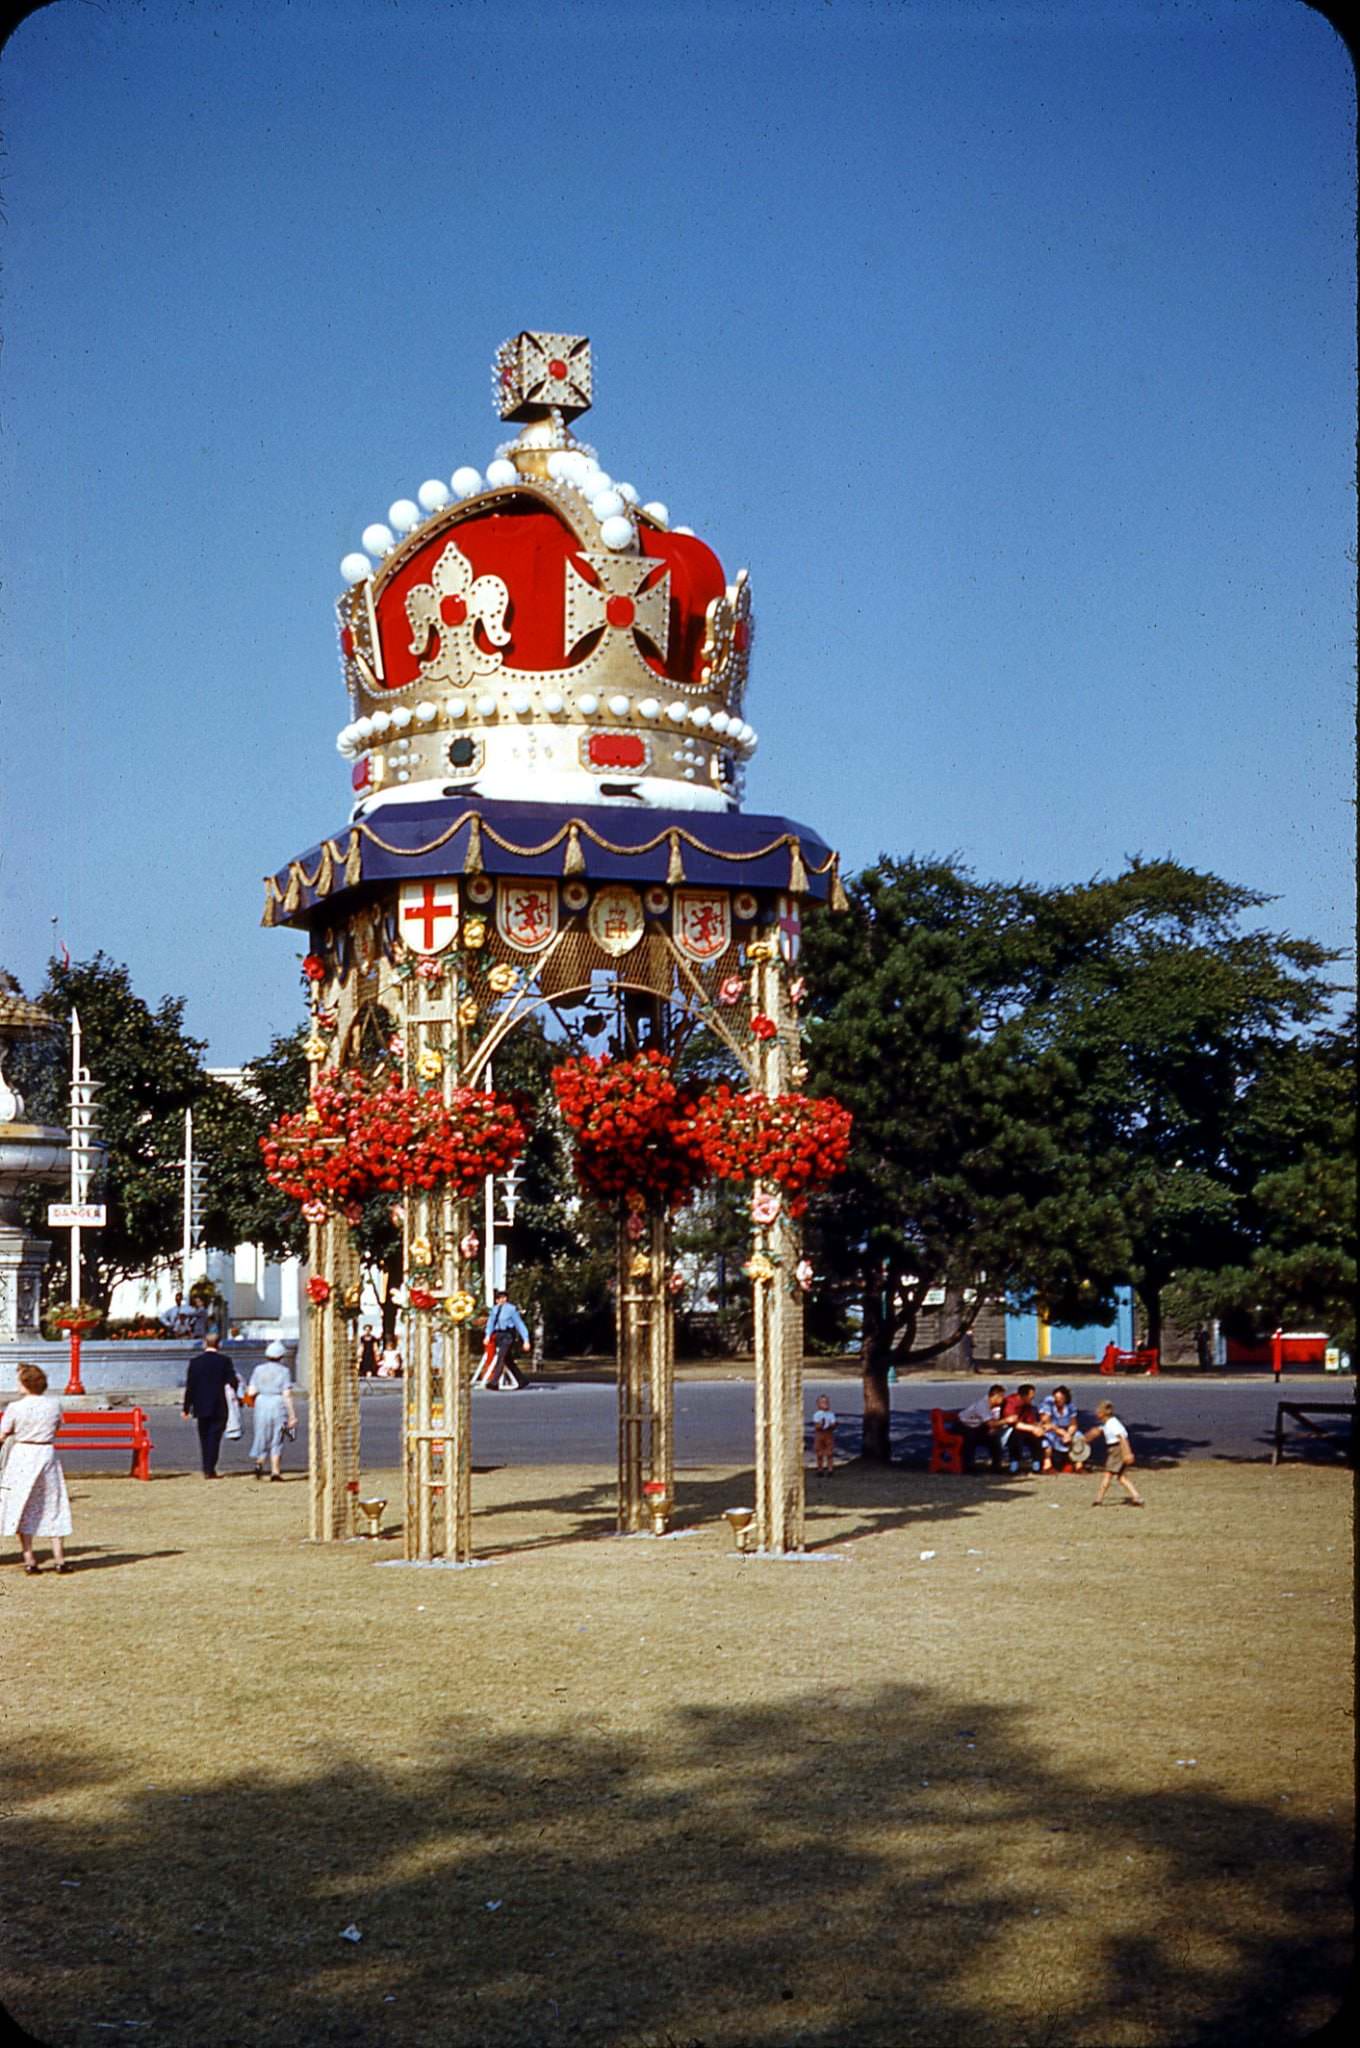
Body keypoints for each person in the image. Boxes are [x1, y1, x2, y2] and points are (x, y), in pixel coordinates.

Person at [0, 1364, 73, 1574]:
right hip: (46, 1453)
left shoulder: (16, 1407)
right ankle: (59, 1558)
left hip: (23, 1453)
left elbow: (4, 1432)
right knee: (53, 1500)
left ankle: (29, 1558)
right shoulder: (54, 1405)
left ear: (25, 1383)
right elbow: (58, 1426)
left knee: (22, 1503)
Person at [182, 1331, 240, 1480]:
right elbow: (232, 1381)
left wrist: (186, 1407)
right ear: (219, 1344)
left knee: (204, 1437)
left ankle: (206, 1466)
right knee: (214, 1438)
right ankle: (210, 1468)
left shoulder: (195, 1362)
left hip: (201, 1405)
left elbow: (191, 1386)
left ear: (204, 1343)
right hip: (219, 1404)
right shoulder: (225, 1361)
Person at [246, 1339, 298, 1482]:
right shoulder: (284, 1371)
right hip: (277, 1403)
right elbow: (286, 1394)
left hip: (261, 1403)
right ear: (281, 1356)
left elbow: (251, 1392)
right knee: (278, 1436)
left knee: (261, 1434)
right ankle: (275, 1471)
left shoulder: (258, 1370)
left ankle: (259, 1463)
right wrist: (292, 1415)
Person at [1084, 1400, 1145, 1507]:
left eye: (1098, 1411)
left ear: (1103, 1413)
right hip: (1115, 1449)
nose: (1096, 1414)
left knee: (1108, 1474)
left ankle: (1099, 1498)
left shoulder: (1113, 1423)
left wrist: (1127, 1453)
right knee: (1121, 1477)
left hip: (1116, 1450)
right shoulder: (1108, 1423)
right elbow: (1099, 1431)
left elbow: (1122, 1438)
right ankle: (1136, 1496)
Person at [482, 1291, 529, 1391]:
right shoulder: (494, 1310)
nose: (502, 1300)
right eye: (500, 1298)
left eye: (504, 1298)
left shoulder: (511, 1309)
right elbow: (490, 1323)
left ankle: (494, 1382)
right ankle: (522, 1380)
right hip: (498, 1335)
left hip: (508, 1335)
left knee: (501, 1357)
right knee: (508, 1360)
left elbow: (519, 1324)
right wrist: (487, 1336)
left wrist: (526, 1339)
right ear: (497, 1300)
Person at [955, 1383, 1007, 1472]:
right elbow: (991, 1423)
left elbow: (992, 1423)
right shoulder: (982, 1405)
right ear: (995, 1396)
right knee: (970, 1438)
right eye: (1001, 1396)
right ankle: (968, 1466)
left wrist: (994, 1429)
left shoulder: (995, 1407)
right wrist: (1006, 1420)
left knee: (994, 1438)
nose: (1003, 1399)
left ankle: (996, 1465)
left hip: (977, 1426)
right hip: (963, 1426)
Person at [1000, 1382, 1045, 1473]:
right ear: (1024, 1395)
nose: (1033, 1398)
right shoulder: (1010, 1403)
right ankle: (1014, 1464)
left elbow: (1030, 1421)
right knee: (1016, 1436)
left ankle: (1036, 1464)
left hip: (1023, 1429)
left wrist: (1037, 1426)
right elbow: (1013, 1424)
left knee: (1036, 1436)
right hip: (1007, 1430)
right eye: (1031, 1396)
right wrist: (1032, 1428)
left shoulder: (1027, 1405)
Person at [1037, 1385, 1082, 1473]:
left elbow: (1073, 1424)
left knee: (1078, 1436)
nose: (1058, 1400)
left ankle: (1078, 1464)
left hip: (1066, 1430)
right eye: (1056, 1397)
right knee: (1046, 1439)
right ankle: (1047, 1465)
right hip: (1052, 1430)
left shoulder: (1070, 1407)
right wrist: (1062, 1433)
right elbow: (1046, 1423)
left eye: (1060, 1398)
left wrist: (1068, 1434)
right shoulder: (1048, 1406)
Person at [810, 1393, 837, 1473]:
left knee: (830, 1453)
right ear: (818, 1404)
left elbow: (833, 1424)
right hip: (820, 1434)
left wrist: (833, 1425)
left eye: (826, 1402)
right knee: (819, 1453)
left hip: (828, 1434)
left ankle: (830, 1468)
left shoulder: (831, 1414)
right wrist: (820, 1424)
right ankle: (820, 1468)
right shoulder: (817, 1415)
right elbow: (817, 1426)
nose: (825, 1404)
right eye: (822, 1402)